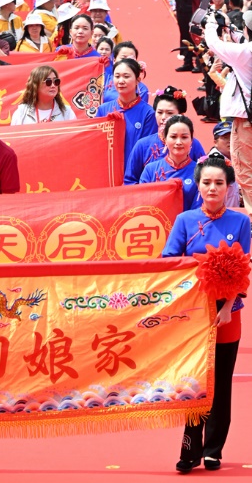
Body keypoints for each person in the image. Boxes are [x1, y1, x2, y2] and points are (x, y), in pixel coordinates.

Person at [162, 152, 250, 473]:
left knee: (221, 383)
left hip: (228, 313)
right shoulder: (185, 220)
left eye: (219, 183)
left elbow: (244, 268)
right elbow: (169, 261)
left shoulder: (240, 222)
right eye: (206, 182)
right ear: (198, 185)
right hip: (193, 315)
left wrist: (228, 306)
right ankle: (190, 450)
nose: (212, 188)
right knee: (194, 382)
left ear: (228, 187)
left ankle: (214, 450)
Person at [203, 8, 252, 213]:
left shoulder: (246, 52)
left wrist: (211, 25)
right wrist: (232, 31)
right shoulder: (244, 50)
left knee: (245, 172)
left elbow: (214, 44)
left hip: (247, 124)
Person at [125, 86, 205, 184]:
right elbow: (130, 181)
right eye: (159, 112)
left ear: (181, 115)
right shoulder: (142, 145)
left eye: (169, 113)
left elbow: (204, 176)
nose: (163, 117)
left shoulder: (193, 144)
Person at [96, 57, 157, 167]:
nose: (120, 81)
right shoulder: (103, 110)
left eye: (126, 76)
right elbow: (95, 143)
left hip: (134, 175)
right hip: (108, 170)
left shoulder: (148, 113)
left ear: (138, 79)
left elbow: (148, 150)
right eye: (117, 76)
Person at [139, 114, 202, 210]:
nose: (179, 142)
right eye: (173, 136)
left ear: (191, 140)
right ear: (165, 139)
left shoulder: (200, 172)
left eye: (184, 137)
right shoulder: (150, 170)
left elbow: (198, 211)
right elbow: (142, 203)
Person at [11, 65, 77, 125]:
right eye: (48, 82)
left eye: (56, 81)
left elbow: (75, 136)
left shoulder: (67, 112)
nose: (53, 85)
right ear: (35, 86)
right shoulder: (21, 113)